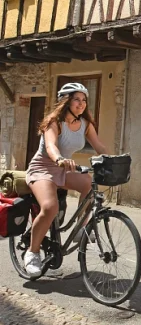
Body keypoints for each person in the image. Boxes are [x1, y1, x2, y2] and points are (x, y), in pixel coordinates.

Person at [23, 82, 109, 278]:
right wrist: (59, 159)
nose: (81, 104)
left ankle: (81, 228)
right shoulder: (53, 121)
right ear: (66, 101)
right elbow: (52, 146)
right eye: (76, 99)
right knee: (50, 207)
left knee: (89, 184)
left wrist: (113, 160)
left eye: (84, 100)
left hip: (65, 169)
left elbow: (99, 146)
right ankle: (32, 253)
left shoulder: (86, 124)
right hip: (43, 168)